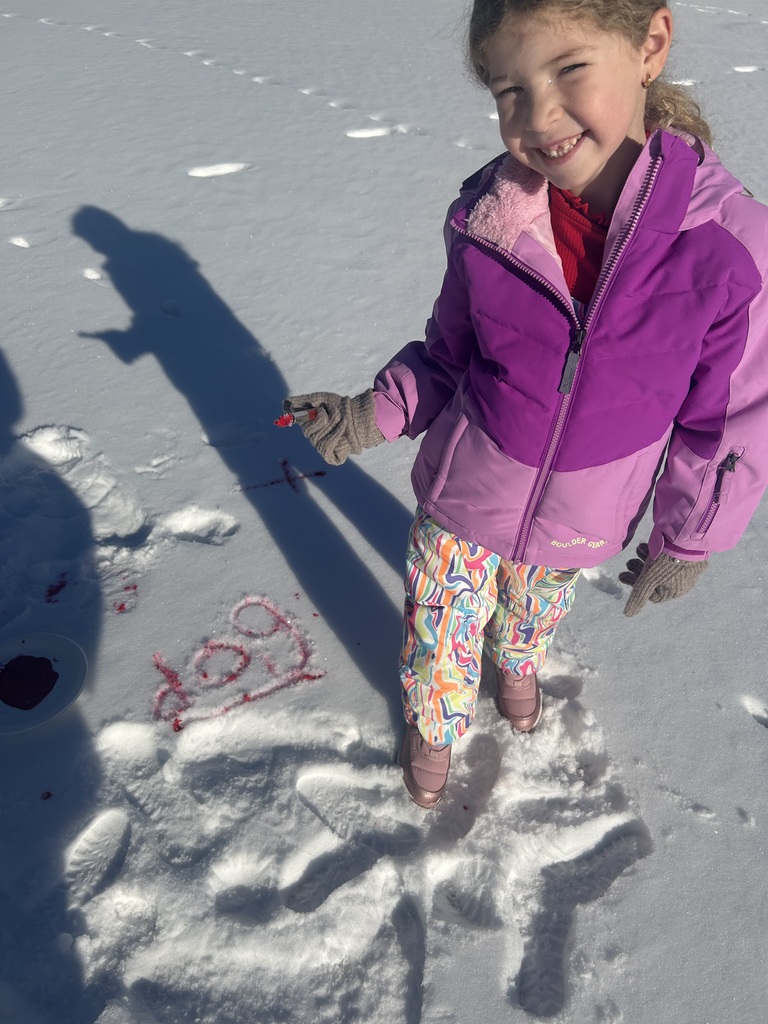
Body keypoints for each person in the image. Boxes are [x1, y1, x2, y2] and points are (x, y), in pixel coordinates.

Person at [284, 0, 768, 808]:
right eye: (509, 90)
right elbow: (448, 351)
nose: (537, 117)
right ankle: (434, 732)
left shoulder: (724, 246)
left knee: (532, 615)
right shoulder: (491, 218)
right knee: (439, 631)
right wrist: (377, 412)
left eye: (569, 69)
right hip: (466, 492)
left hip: (587, 511)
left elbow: (726, 423)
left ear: (649, 44)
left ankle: (517, 666)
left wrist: (688, 539)